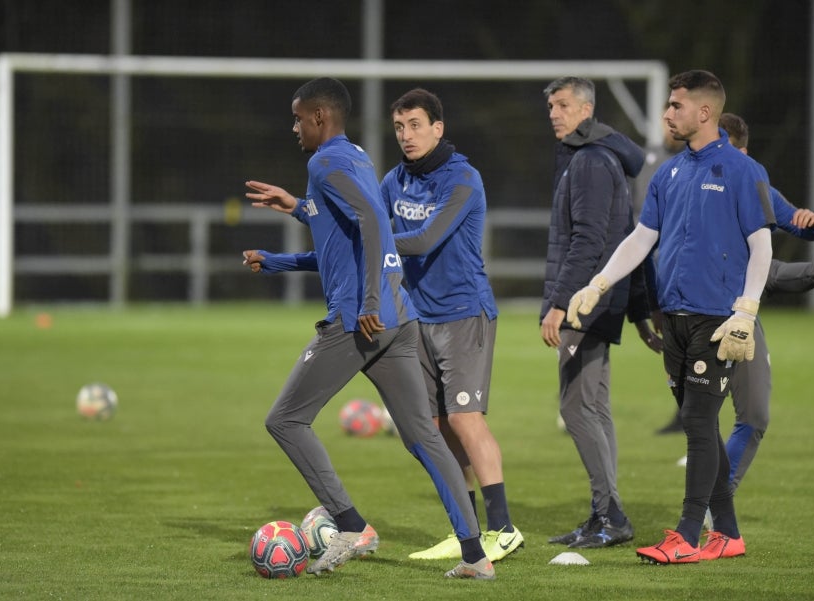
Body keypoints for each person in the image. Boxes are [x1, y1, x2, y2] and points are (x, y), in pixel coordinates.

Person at [240, 77, 494, 579]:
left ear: (318, 117)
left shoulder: (323, 161)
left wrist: (368, 301)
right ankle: (475, 557)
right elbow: (343, 241)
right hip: (400, 320)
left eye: (297, 118)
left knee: (285, 420)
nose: (294, 128)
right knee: (424, 436)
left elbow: (375, 225)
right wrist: (282, 252)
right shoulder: (355, 156)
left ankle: (352, 525)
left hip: (361, 319)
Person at [566, 70, 775, 564]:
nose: (666, 114)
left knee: (700, 423)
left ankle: (684, 534)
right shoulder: (670, 172)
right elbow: (642, 239)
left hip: (716, 321)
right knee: (695, 421)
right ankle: (728, 533)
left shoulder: (743, 171)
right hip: (674, 320)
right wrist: (598, 283)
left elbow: (761, 245)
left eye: (675, 105)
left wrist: (746, 310)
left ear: (704, 112)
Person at [654, 113, 814, 499]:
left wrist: (811, 225)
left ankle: (716, 506)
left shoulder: (749, 178)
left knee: (754, 416)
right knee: (700, 420)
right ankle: (707, 507)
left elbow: (797, 222)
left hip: (744, 310)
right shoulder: (684, 179)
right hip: (701, 313)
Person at [378, 88, 523, 563]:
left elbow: (423, 240)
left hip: (463, 314)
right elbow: (368, 221)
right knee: (437, 428)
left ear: (438, 128)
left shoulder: (462, 178)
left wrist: (370, 239)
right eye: (399, 127)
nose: (406, 136)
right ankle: (468, 530)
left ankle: (503, 529)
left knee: (464, 418)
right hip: (418, 318)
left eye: (415, 125)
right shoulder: (394, 180)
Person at [539, 76, 662, 550]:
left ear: (587, 110)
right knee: (593, 407)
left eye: (564, 104)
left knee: (576, 408)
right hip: (601, 301)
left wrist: (560, 304)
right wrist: (638, 312)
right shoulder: (596, 158)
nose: (554, 112)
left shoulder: (589, 160)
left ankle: (611, 515)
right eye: (551, 105)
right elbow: (625, 237)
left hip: (584, 305)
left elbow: (590, 241)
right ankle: (601, 514)